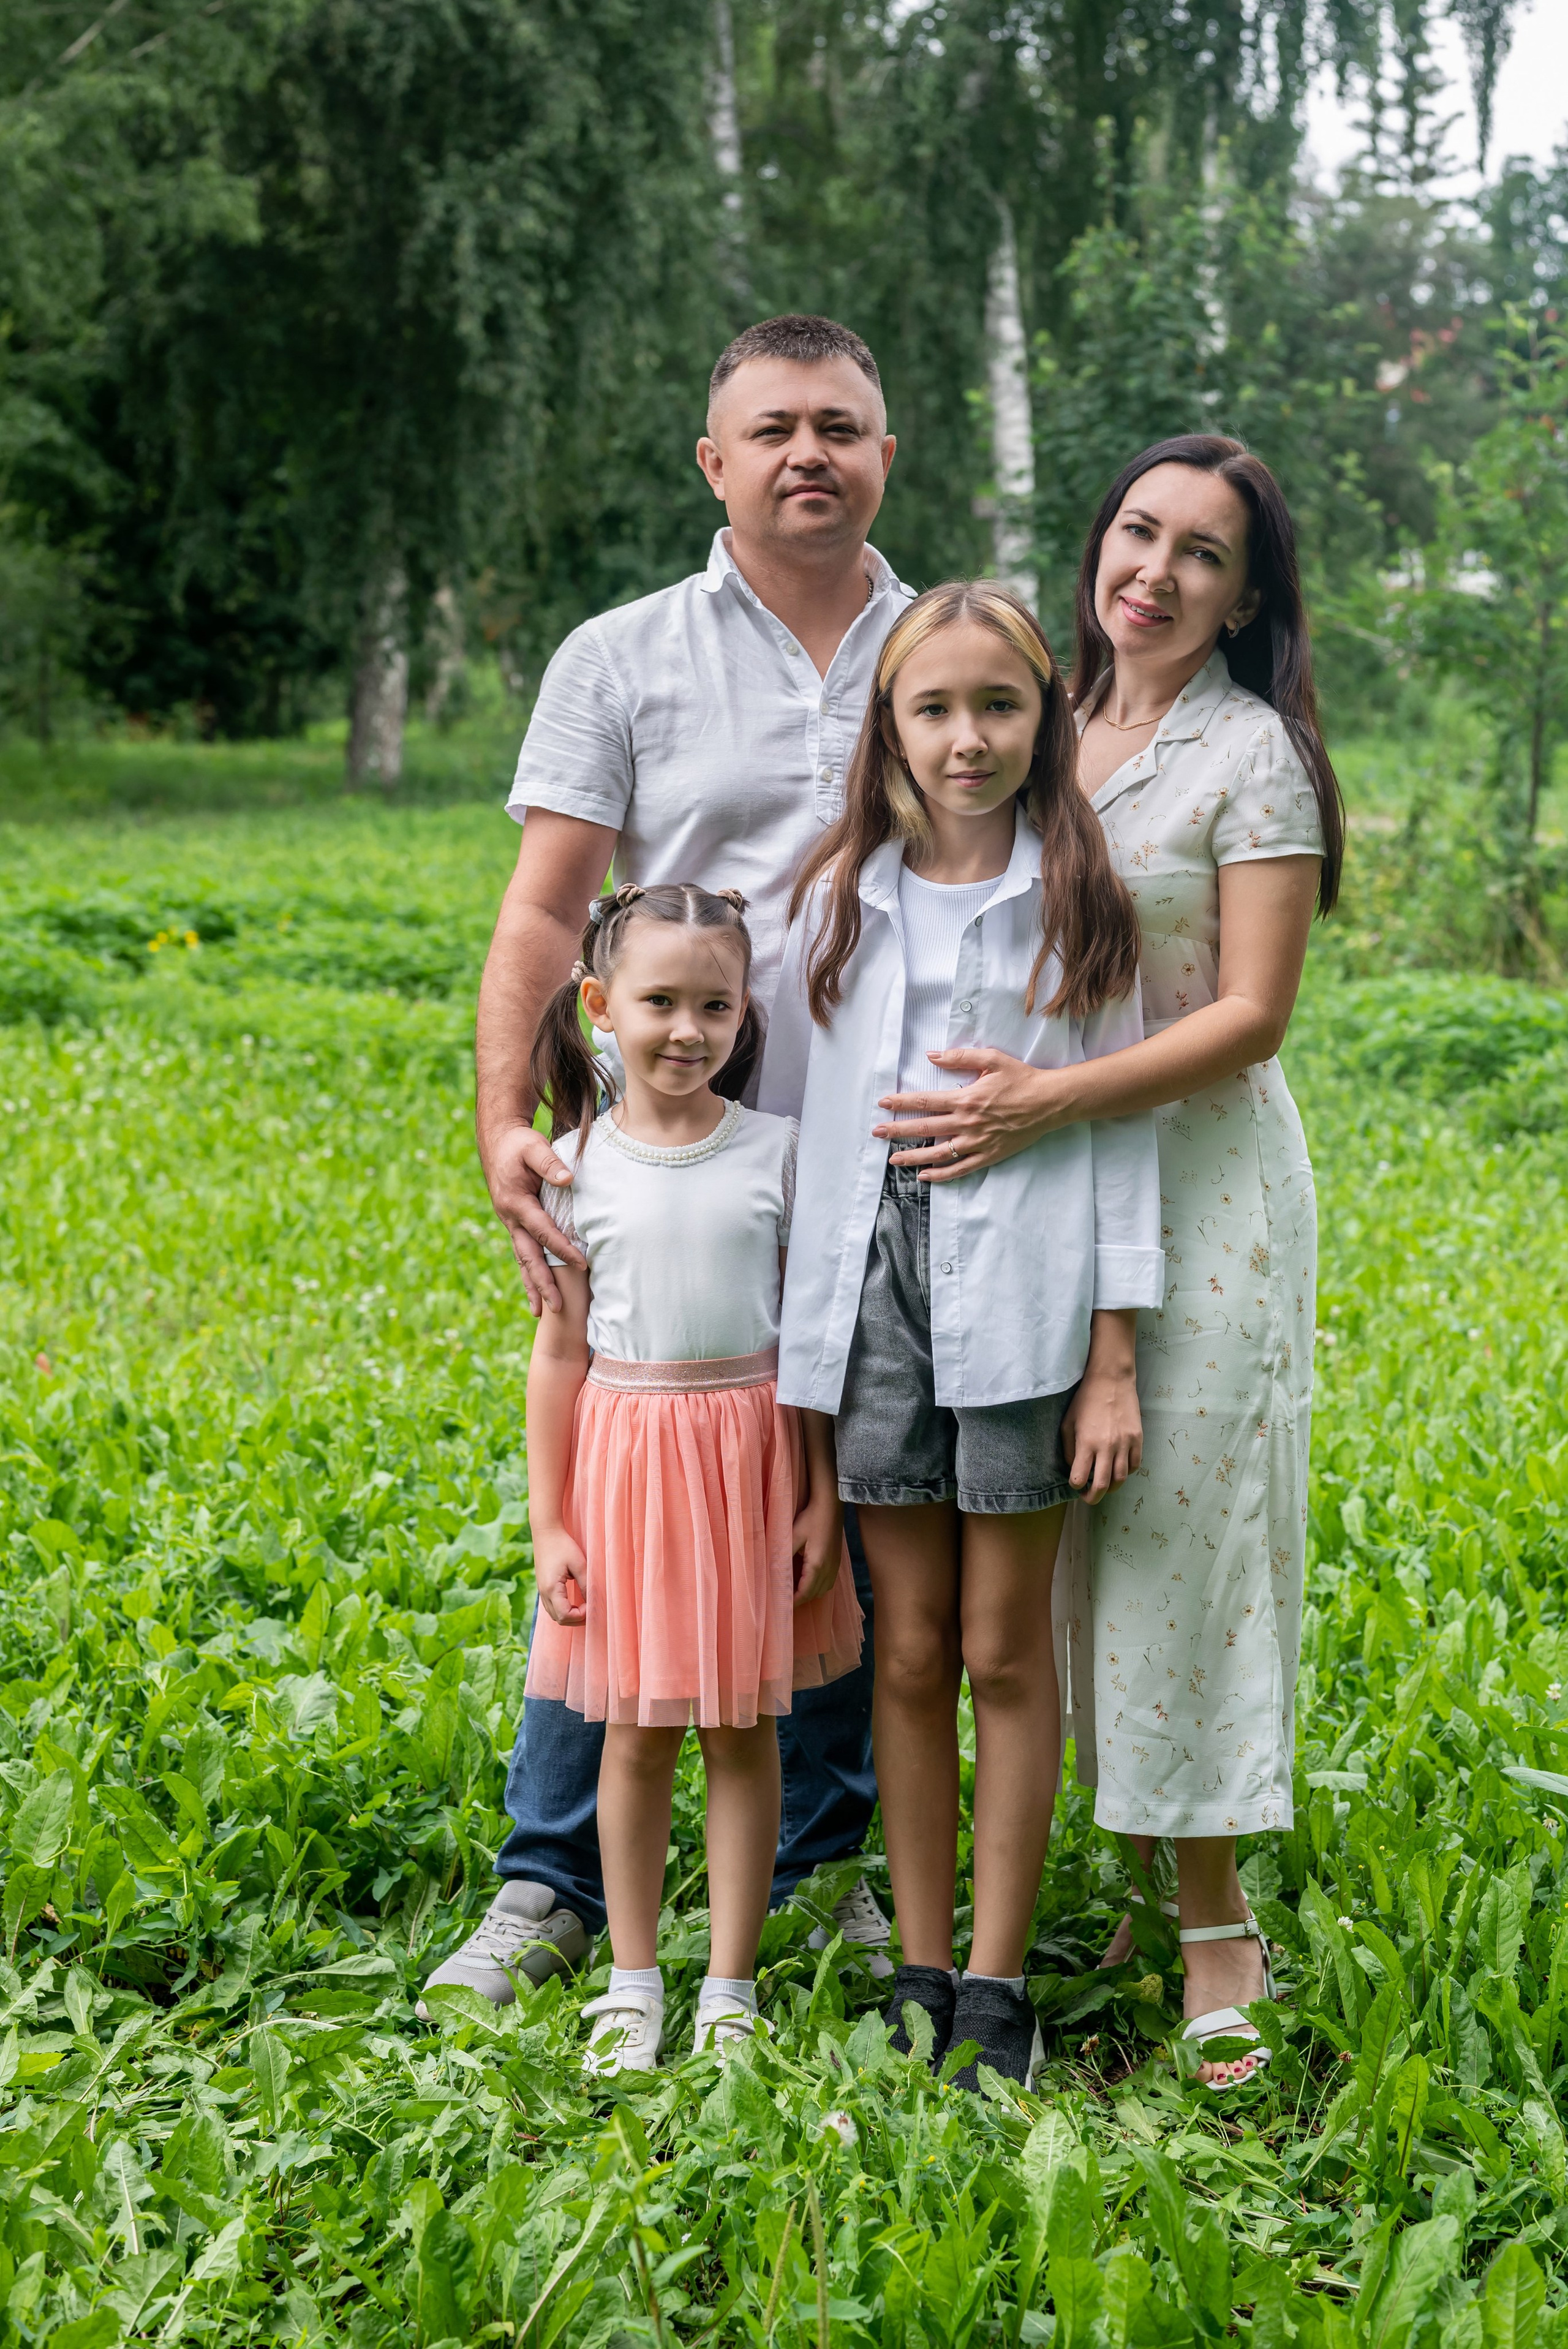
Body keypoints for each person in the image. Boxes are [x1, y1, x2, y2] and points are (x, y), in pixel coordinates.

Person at [420, 315, 911, 2016]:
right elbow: (549, 911)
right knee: (626, 1485)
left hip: (884, 1143)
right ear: (714, 460)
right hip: (660, 1140)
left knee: (828, 1496)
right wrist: (507, 1115)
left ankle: (825, 1861)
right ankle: (551, 1876)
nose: (808, 454)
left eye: (840, 427)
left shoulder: (944, 646)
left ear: (884, 457)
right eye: (771, 427)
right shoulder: (621, 654)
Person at [867, 437, 1343, 2089]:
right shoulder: (1042, 720)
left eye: (1202, 553)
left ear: (1245, 593)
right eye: (1140, 530)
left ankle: (1218, 1921)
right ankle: (1126, 1880)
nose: (1156, 568)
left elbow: (1251, 1013)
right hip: (1026, 1200)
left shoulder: (1248, 752)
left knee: (1176, 1543)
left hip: (1196, 1192)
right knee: (1050, 1546)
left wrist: (1045, 1099)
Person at [760, 582, 1164, 2088]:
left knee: (1005, 1647)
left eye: (997, 705)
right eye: (931, 708)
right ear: (887, 726)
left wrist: (1113, 1352)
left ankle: (998, 1979)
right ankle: (918, 1968)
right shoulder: (835, 896)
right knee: (906, 1649)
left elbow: (1118, 1129)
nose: (965, 737)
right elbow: (797, 1141)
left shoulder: (1077, 889)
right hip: (869, 1289)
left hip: (1030, 1293)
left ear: (1041, 719)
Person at [521, 883, 862, 2072]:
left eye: (711, 1004)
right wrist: (548, 1522)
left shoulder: (779, 1152)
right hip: (627, 1461)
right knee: (633, 1732)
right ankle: (629, 1975)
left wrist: (817, 1489)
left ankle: (727, 1983)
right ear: (600, 1007)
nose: (684, 1029)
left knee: (740, 1728)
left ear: (741, 1009)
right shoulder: (571, 1167)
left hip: (751, 1458)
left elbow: (806, 1340)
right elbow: (558, 1351)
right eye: (658, 1002)